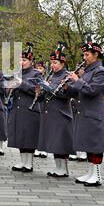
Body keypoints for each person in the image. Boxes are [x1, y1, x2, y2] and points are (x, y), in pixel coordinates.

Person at [67, 36, 104, 186]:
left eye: (87, 55)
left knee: (96, 145)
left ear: (96, 55)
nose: (84, 57)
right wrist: (67, 87)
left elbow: (93, 90)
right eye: (84, 55)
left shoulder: (100, 71)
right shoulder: (87, 71)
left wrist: (77, 80)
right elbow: (80, 91)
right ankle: (90, 173)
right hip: (85, 112)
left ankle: (97, 175)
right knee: (88, 144)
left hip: (94, 113)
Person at [38, 42, 77, 177]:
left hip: (61, 112)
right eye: (52, 62)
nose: (53, 65)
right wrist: (41, 92)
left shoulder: (66, 76)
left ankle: (63, 169)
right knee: (55, 142)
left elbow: (69, 94)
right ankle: (58, 167)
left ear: (62, 63)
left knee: (61, 142)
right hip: (51, 112)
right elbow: (46, 92)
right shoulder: (51, 76)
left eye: (55, 63)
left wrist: (51, 88)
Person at [7, 43, 42, 173]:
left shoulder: (36, 74)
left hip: (30, 109)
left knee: (29, 137)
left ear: (31, 61)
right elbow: (8, 91)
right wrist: (10, 87)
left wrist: (22, 83)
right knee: (20, 136)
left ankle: (29, 163)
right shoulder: (17, 73)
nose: (22, 62)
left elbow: (37, 91)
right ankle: (22, 161)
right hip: (17, 108)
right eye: (20, 60)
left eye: (25, 60)